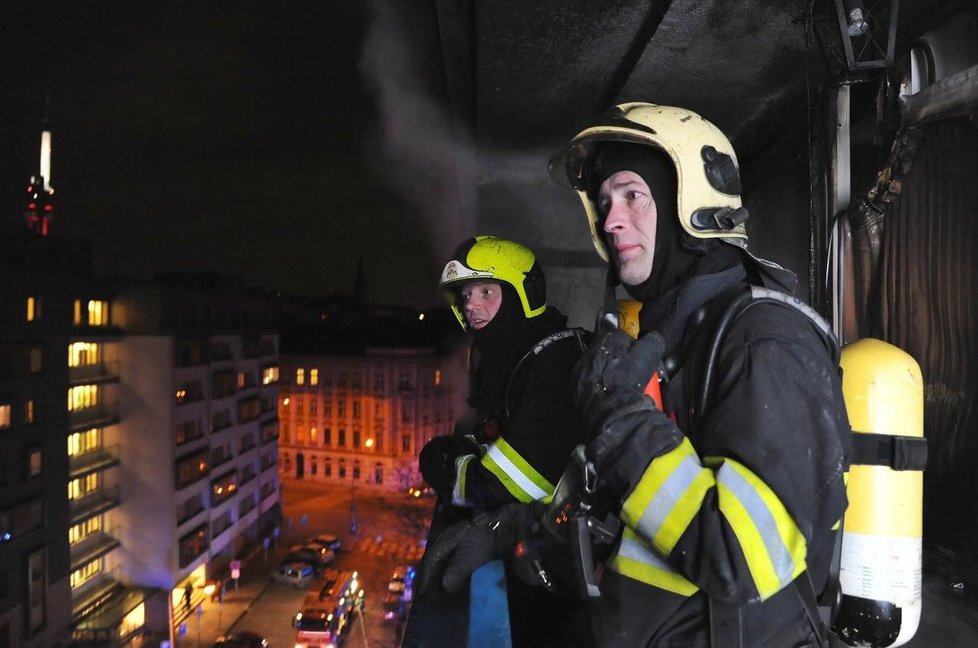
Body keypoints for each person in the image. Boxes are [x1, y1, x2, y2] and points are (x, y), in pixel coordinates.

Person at [545, 102, 852, 647]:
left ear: (690, 201)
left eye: (632, 195)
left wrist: (619, 419)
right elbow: (642, 514)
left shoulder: (765, 340)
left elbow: (742, 558)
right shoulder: (678, 335)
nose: (611, 219)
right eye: (604, 201)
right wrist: (524, 529)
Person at [417, 235, 591, 647]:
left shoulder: (552, 363)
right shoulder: (523, 357)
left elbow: (511, 482)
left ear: (520, 295)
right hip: (552, 550)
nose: (471, 306)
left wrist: (450, 470)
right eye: (465, 296)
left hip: (566, 571)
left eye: (486, 293)